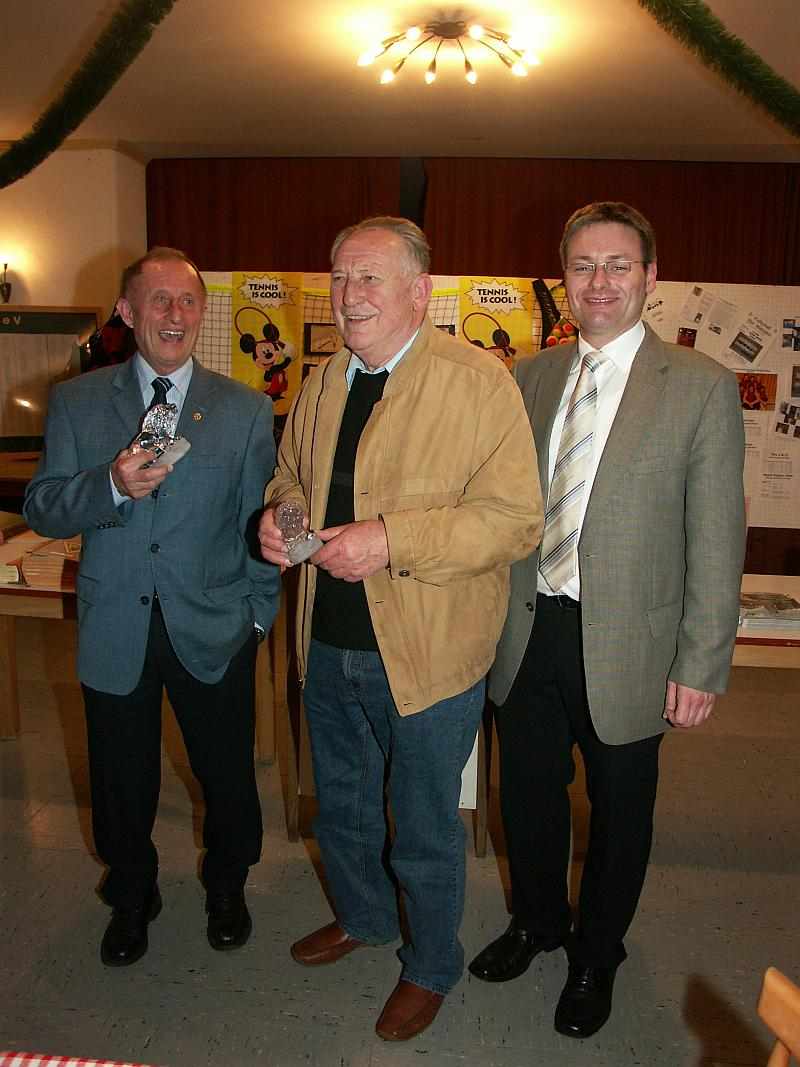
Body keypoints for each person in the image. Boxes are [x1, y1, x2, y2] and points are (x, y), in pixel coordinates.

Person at [257, 217, 542, 1041]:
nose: (349, 295)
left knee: (421, 825)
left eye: (370, 277)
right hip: (326, 641)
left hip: (428, 653)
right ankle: (365, 917)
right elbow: (290, 475)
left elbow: (515, 519)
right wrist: (281, 517)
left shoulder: (479, 383)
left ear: (421, 290)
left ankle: (430, 964)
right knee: (342, 809)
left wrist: (391, 539)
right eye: (340, 277)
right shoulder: (322, 379)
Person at [469, 202, 746, 1038]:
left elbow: (716, 536)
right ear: (564, 278)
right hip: (530, 628)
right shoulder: (528, 377)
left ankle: (597, 954)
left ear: (650, 277)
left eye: (618, 265)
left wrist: (701, 661)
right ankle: (537, 921)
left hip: (633, 642)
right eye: (583, 265)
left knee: (621, 810)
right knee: (528, 794)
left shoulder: (700, 386)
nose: (599, 282)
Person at [24, 247, 280, 967]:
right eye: (158, 299)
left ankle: (227, 885)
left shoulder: (244, 409)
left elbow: (260, 521)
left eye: (188, 300)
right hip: (116, 625)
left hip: (216, 625)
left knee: (227, 777)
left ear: (202, 313)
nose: (174, 313)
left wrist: (257, 618)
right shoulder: (78, 401)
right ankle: (133, 894)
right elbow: (43, 506)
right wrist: (108, 484)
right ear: (128, 311)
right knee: (120, 780)